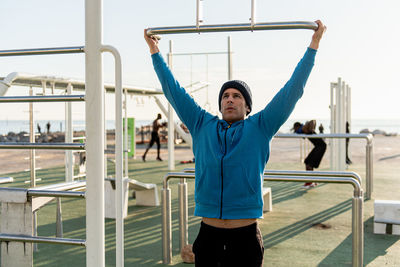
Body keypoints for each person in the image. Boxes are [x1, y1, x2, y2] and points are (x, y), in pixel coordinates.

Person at [145, 20, 326, 267]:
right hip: (208, 235)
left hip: (246, 238)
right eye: (226, 96)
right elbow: (173, 91)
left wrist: (313, 45)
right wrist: (154, 51)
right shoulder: (201, 124)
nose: (230, 99)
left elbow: (292, 90)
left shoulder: (260, 126)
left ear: (247, 106)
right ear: (220, 105)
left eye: (237, 96)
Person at [292, 120, 327, 189]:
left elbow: (313, 121)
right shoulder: (302, 129)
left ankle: (309, 182)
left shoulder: (304, 127)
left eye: (295, 128)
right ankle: (312, 181)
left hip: (321, 146)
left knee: (309, 164)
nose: (295, 130)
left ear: (297, 126)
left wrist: (312, 128)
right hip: (318, 146)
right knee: (307, 162)